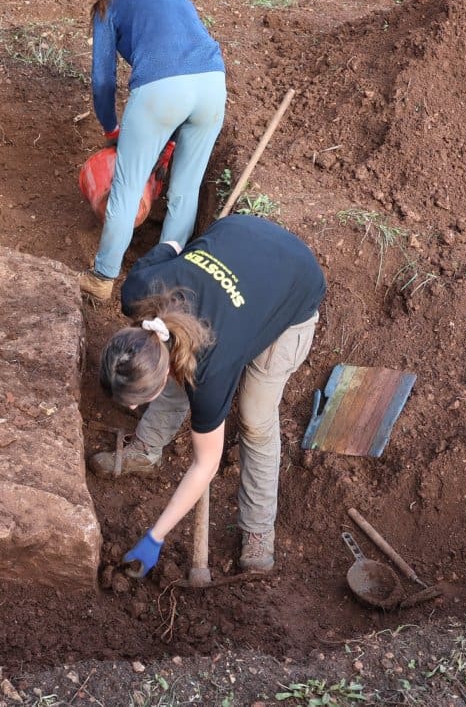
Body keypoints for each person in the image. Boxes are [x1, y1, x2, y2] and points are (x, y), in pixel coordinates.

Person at [91, 215, 325, 575]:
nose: (134, 406)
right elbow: (170, 248)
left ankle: (259, 529)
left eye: (137, 400)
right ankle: (147, 448)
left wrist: (155, 537)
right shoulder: (138, 291)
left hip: (293, 286)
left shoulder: (210, 371)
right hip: (240, 238)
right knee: (180, 362)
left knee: (254, 417)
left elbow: (205, 465)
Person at [80, 0, 226, 303]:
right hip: (213, 86)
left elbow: (103, 81)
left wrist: (110, 126)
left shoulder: (108, 4)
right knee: (185, 192)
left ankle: (102, 278)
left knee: (127, 186)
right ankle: (165, 284)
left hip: (161, 91)